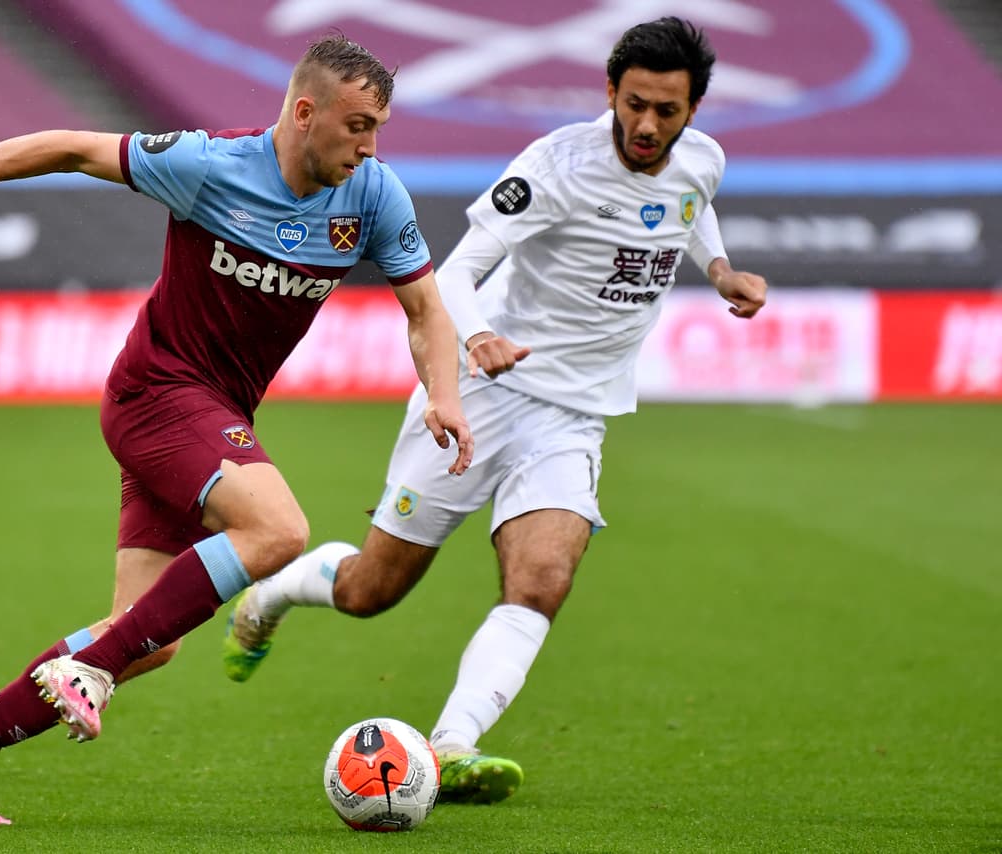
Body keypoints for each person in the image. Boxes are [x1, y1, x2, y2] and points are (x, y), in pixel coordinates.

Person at [0, 35, 474, 825]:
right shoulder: (209, 165)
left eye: (378, 128)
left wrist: (445, 393)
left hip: (214, 415)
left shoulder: (372, 197)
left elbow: (427, 312)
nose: (370, 145)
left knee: (149, 638)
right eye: (358, 125)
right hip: (158, 394)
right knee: (278, 530)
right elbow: (71, 148)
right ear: (304, 112)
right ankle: (90, 672)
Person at [221, 16, 768, 805]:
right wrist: (476, 339)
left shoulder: (702, 162)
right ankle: (272, 595)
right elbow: (455, 272)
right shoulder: (554, 167)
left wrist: (717, 269)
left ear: (694, 112)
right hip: (480, 393)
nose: (649, 126)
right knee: (373, 589)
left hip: (574, 414)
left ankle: (450, 745)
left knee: (543, 579)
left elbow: (691, 205)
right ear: (610, 92)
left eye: (669, 112)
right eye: (636, 105)